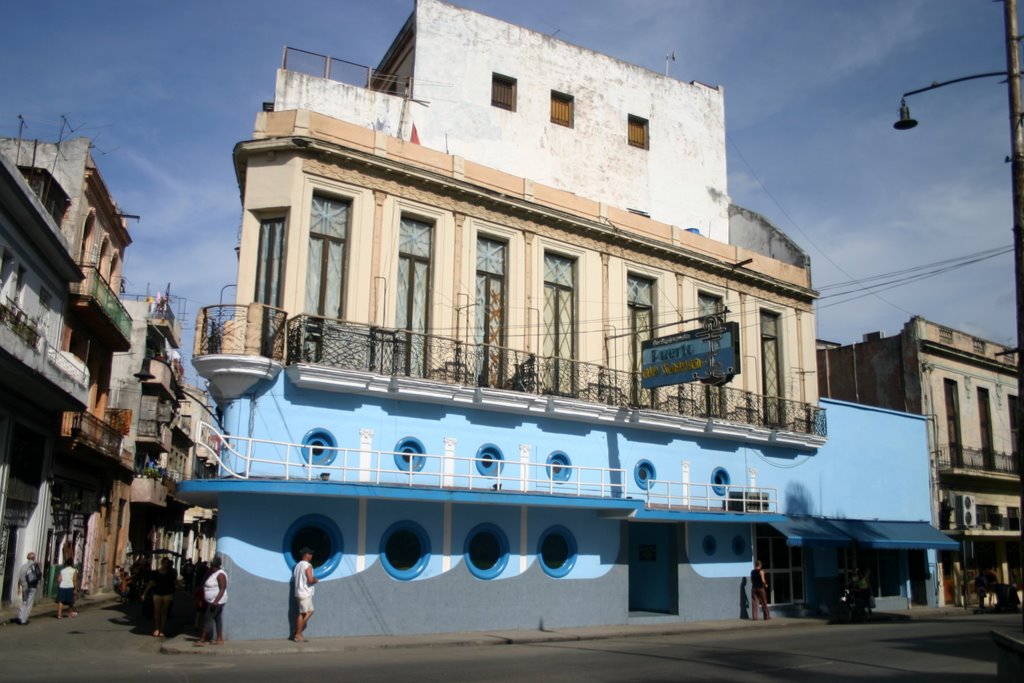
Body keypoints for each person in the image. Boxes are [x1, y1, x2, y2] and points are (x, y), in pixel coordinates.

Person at [195, 556, 227, 646]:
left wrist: (216, 601)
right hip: (213, 600)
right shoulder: (214, 573)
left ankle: (203, 639)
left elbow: (223, 588)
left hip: (216, 601)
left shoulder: (220, 574)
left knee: (208, 618)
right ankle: (220, 638)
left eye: (212, 564)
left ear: (215, 565)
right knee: (217, 618)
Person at [143, 558, 177, 637]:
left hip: (168, 593)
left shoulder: (170, 573)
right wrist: (144, 593)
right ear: (162, 563)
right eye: (165, 563)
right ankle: (157, 628)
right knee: (157, 610)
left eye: (167, 563)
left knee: (164, 611)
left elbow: (175, 582)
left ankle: (162, 629)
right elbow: (151, 583)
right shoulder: (156, 573)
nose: (166, 565)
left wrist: (183, 591)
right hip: (157, 593)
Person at [292, 547, 318, 641]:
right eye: (310, 554)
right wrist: (315, 580)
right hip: (305, 592)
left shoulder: (298, 565)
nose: (311, 556)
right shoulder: (308, 565)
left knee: (310, 611)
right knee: (303, 613)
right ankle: (298, 635)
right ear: (305, 555)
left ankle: (297, 631)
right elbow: (310, 580)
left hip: (299, 591)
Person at [16, 552, 43, 624]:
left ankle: (20, 616)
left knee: (24, 602)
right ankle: (23, 620)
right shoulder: (35, 565)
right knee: (29, 603)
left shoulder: (23, 566)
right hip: (32, 586)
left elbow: (19, 577)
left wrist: (19, 587)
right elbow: (39, 575)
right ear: (33, 558)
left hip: (24, 586)